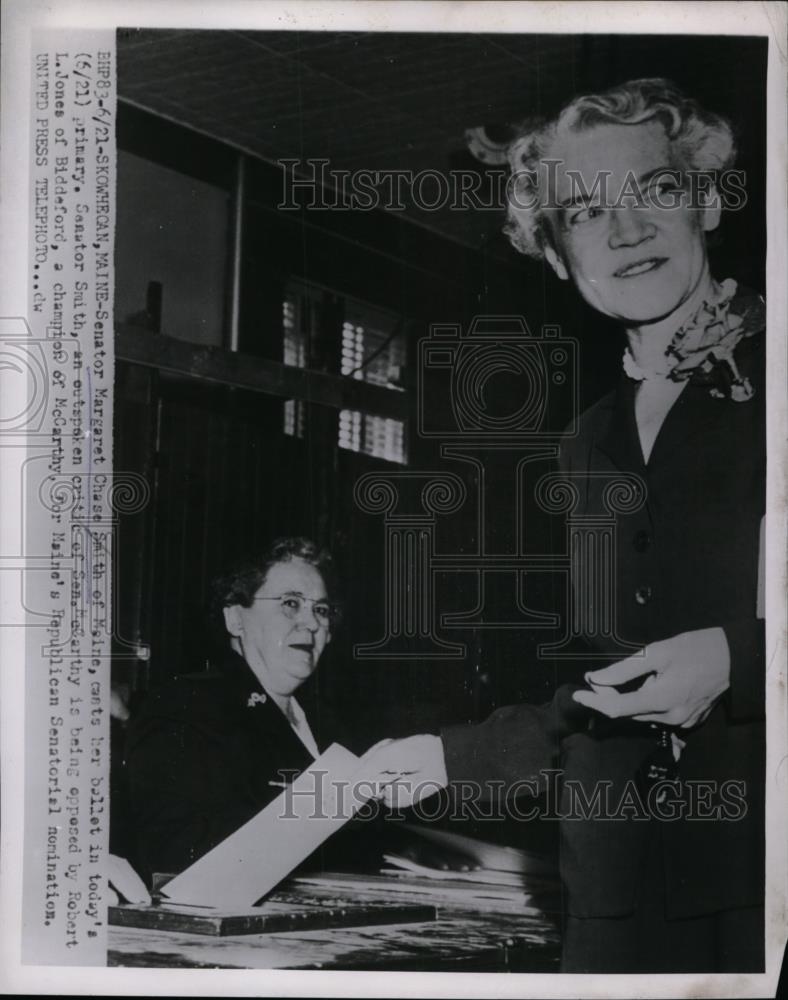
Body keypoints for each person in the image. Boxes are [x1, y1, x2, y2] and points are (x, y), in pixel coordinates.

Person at [363, 79, 765, 973]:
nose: (624, 233)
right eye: (584, 214)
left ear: (701, 201)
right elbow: (601, 693)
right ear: (554, 256)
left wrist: (744, 660)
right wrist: (448, 755)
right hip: (617, 905)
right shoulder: (586, 441)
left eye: (652, 192)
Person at [125, 536, 345, 882]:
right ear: (235, 620)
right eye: (291, 603)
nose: (313, 623)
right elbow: (175, 855)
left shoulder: (330, 724)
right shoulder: (187, 709)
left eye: (320, 609)